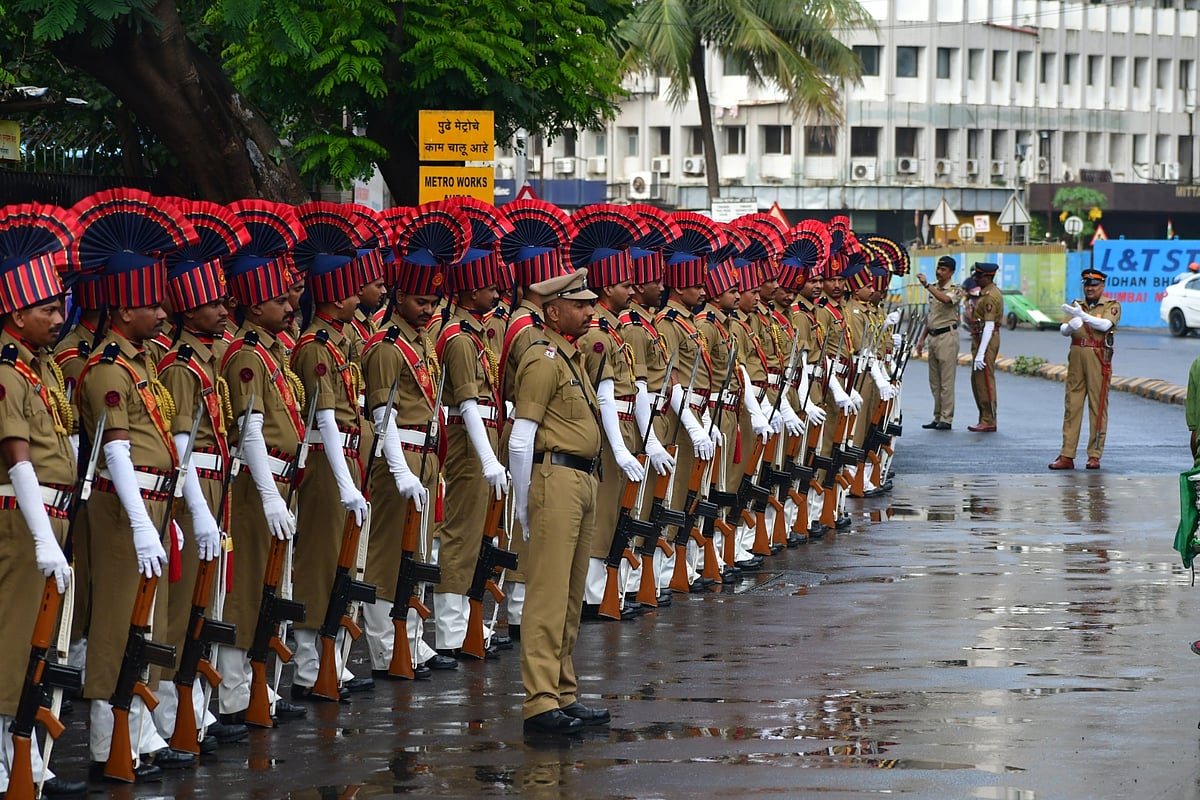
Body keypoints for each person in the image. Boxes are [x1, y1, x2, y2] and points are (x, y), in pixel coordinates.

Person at [0, 203, 87, 798]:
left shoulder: (42, 369)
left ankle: (32, 760)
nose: (60, 318)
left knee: (43, 642)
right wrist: (41, 536)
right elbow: (19, 458)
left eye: (60, 307)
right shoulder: (8, 372)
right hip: (23, 518)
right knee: (13, 644)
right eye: (48, 309)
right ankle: (6, 765)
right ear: (15, 311)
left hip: (54, 517)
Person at [508, 268, 607, 735]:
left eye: (590, 303)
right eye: (580, 304)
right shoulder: (543, 359)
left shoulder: (571, 357)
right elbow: (522, 437)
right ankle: (540, 701)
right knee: (548, 595)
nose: (591, 310)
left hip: (581, 480)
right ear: (553, 310)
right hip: (555, 479)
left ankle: (563, 692)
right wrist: (524, 501)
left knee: (571, 596)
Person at [1048, 268, 1121, 470]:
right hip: (1076, 355)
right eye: (1087, 285)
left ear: (1102, 286)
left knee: (1097, 407)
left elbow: (1105, 324)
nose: (1090, 289)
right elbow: (1063, 330)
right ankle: (1067, 454)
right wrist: (1072, 325)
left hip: (1098, 357)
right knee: (1072, 405)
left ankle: (1094, 454)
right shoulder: (1076, 305)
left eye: (1094, 285)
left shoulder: (1111, 305)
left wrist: (1083, 317)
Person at [915, 255, 963, 430]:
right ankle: (937, 416)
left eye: (943, 269)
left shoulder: (956, 289)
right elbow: (931, 316)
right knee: (934, 381)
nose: (939, 272)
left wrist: (927, 286)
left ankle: (946, 418)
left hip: (947, 338)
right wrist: (921, 339)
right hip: (933, 337)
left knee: (946, 381)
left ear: (951, 272)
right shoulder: (934, 288)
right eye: (938, 268)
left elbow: (946, 300)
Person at [967, 262, 1002, 432]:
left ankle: (989, 419)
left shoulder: (990, 296)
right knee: (977, 380)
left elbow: (989, 325)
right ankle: (984, 417)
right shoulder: (985, 293)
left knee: (985, 380)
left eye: (978, 276)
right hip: (980, 337)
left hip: (986, 339)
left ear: (988, 277)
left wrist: (981, 352)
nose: (975, 279)